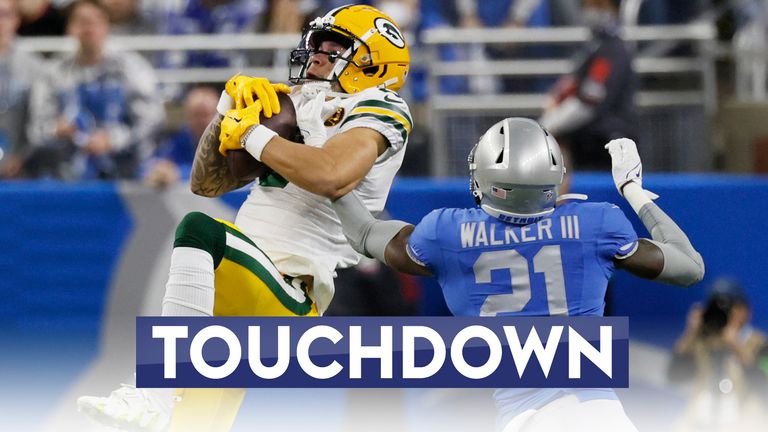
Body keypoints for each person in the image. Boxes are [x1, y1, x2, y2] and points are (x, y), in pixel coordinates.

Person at [77, 4, 412, 431]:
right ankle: (161, 401)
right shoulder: (300, 100)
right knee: (197, 421)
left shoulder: (380, 106)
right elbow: (206, 183)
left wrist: (253, 134)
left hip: (289, 287)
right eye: (316, 46)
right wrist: (227, 112)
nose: (317, 56)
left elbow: (331, 175)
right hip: (243, 280)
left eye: (334, 48)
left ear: (372, 61)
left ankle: (155, 388)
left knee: (201, 231)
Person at [330, 118, 705, 432]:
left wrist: (327, 167)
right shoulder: (596, 221)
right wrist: (633, 190)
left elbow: (363, 232)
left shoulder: (447, 233)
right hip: (604, 414)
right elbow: (689, 267)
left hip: (529, 417)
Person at [26, 0, 163, 180]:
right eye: (81, 21)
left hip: (125, 174)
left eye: (94, 21)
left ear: (107, 25)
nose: (88, 28)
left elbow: (151, 120)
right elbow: (36, 128)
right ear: (70, 28)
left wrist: (113, 139)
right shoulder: (55, 72)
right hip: (67, 176)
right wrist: (56, 130)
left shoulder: (131, 69)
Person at [538, 0, 637, 170]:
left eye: (598, 6)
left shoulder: (612, 50)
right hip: (589, 144)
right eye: (588, 6)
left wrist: (547, 126)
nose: (591, 11)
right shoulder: (593, 47)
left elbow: (589, 101)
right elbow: (571, 85)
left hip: (607, 146)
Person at [669, 278, 767, 432]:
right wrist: (691, 333)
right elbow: (675, 375)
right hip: (700, 425)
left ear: (745, 311)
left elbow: (764, 385)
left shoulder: (760, 345)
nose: (723, 313)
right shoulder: (702, 342)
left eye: (729, 307)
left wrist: (737, 347)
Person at [0, 0, 45, 179]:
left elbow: (39, 116)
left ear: (16, 19)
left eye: (5, 15)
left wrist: (21, 155)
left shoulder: (34, 65)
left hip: (21, 162)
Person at [144, 86, 220, 188]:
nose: (201, 121)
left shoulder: (231, 141)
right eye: (196, 115)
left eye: (205, 114)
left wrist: (179, 174)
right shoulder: (179, 139)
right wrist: (157, 171)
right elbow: (151, 164)